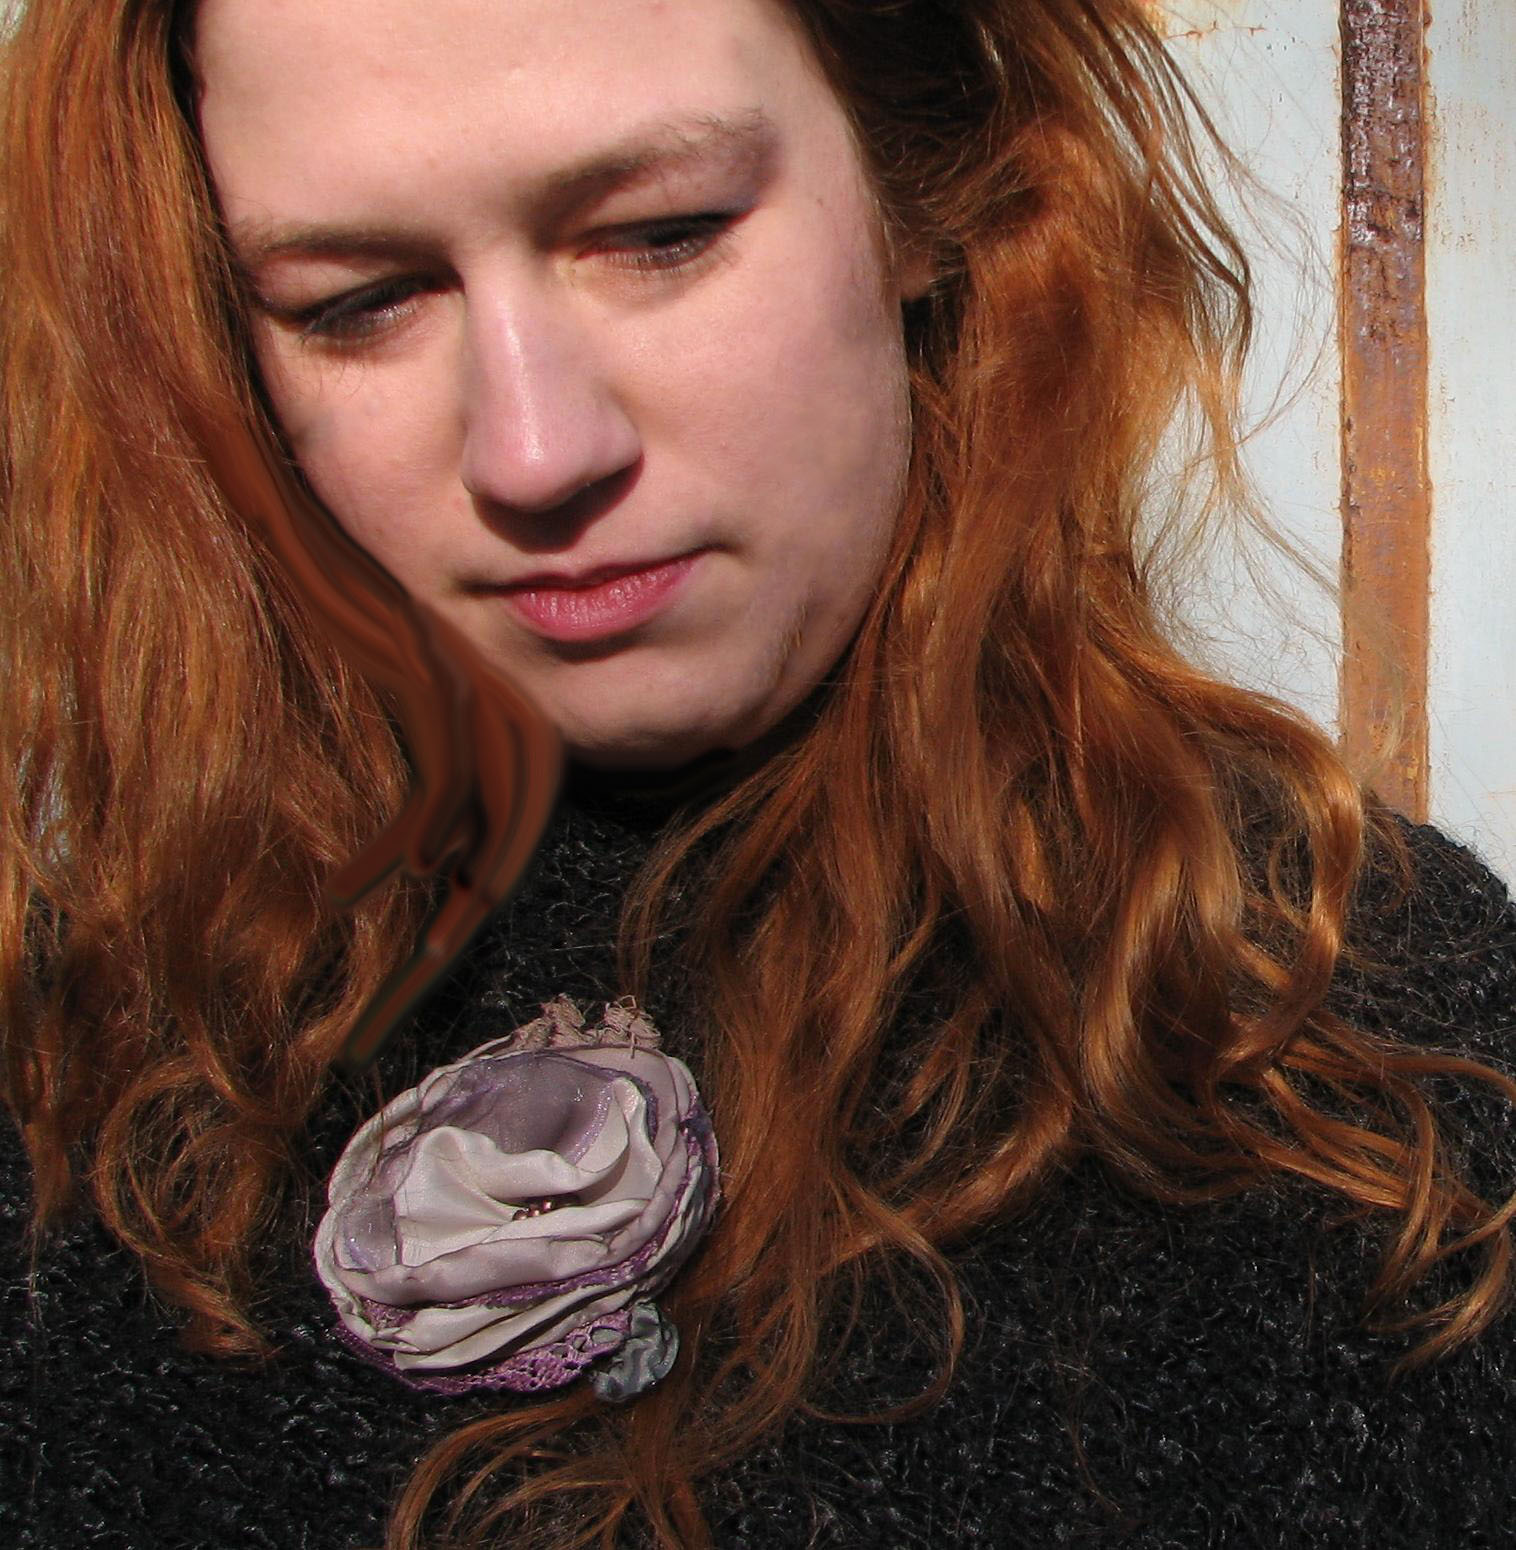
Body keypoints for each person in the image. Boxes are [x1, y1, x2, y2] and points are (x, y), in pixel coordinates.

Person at [3, 1, 1515, 1546]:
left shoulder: (1366, 1047)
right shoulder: (80, 1066)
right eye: (360, 300)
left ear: (921, 191)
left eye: (661, 232)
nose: (536, 450)